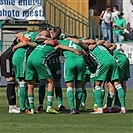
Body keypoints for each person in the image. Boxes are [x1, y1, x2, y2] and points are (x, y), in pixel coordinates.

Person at [44, 37, 86, 114]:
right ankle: (77, 108)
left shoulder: (62, 41)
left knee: (69, 86)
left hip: (70, 61)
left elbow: (47, 42)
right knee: (79, 86)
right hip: (81, 61)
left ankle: (72, 108)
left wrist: (56, 46)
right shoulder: (78, 42)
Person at [35, 27, 66, 113]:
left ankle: (60, 104)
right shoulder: (44, 38)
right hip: (46, 62)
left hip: (56, 63)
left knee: (57, 83)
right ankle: (41, 105)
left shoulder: (61, 38)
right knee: (43, 83)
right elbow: (38, 38)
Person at [1, 39, 20, 113]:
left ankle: (14, 106)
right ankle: (11, 107)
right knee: (10, 81)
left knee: (13, 82)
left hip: (10, 59)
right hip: (7, 59)